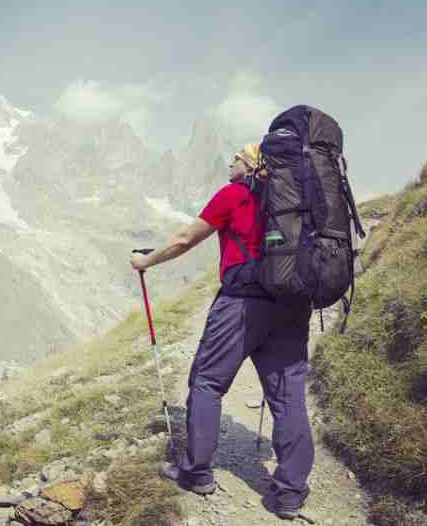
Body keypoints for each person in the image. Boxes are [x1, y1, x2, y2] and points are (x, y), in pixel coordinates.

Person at [130, 143, 314, 519]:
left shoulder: (234, 194)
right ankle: (290, 493)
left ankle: (196, 472)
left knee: (208, 382)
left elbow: (184, 240)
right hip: (292, 306)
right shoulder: (298, 204)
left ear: (250, 165)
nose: (230, 162)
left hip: (242, 304)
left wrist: (145, 260)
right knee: (289, 396)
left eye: (237, 157)